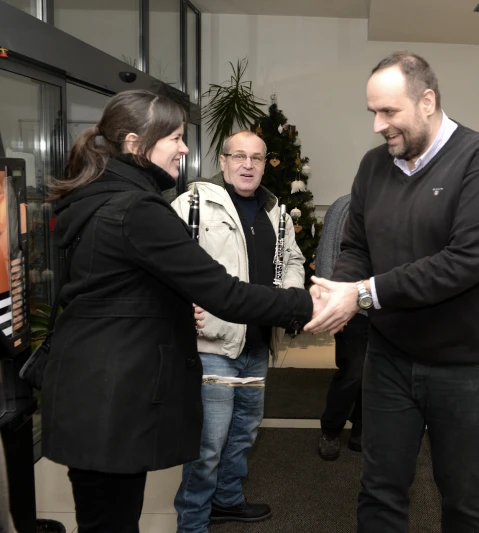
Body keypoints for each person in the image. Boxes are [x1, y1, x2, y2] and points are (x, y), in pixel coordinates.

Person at [40, 89, 322, 533]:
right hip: (109, 399)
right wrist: (309, 305)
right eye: (174, 137)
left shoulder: (102, 196)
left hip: (91, 391)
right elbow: (223, 292)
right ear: (136, 144)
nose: (185, 148)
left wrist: (170, 306)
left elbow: (112, 289)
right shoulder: (138, 209)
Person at [305, 52, 479, 532]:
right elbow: (357, 245)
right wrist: (339, 288)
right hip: (390, 356)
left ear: (427, 101)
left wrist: (361, 294)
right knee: (380, 490)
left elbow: (463, 263)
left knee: (463, 496)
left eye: (389, 112)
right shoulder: (373, 167)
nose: (378, 125)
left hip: (465, 364)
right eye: (373, 113)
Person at [169, 130, 305, 530]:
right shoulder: (192, 204)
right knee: (207, 445)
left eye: (257, 158)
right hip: (213, 345)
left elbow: (293, 259)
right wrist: (180, 303)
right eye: (239, 156)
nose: (248, 165)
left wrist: (290, 296)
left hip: (258, 344)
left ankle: (227, 499)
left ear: (265, 164)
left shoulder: (276, 213)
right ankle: (192, 522)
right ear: (224, 161)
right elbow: (165, 262)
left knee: (244, 433)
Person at [315, 193, 369, 461]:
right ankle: (330, 430)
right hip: (352, 307)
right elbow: (327, 254)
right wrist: (330, 303)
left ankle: (361, 429)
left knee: (377, 374)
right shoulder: (345, 205)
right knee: (353, 372)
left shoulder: (402, 204)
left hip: (389, 308)